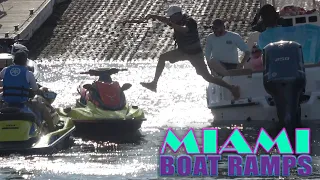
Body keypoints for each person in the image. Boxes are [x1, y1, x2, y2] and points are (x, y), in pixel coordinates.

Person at [140, 5, 240, 100]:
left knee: (207, 77)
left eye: (172, 17)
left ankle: (232, 88)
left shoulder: (190, 21)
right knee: (162, 57)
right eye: (170, 18)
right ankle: (154, 83)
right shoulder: (175, 20)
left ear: (178, 15)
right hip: (183, 51)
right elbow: (166, 20)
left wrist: (171, 24)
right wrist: (154, 16)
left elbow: (184, 30)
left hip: (195, 54)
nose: (171, 19)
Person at [0, 50, 55, 131]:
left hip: (7, 102)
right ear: (25, 61)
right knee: (43, 107)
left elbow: (4, 81)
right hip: (22, 103)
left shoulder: (4, 70)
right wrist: (42, 89)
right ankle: (53, 130)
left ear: (14, 60)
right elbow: (36, 90)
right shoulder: (28, 73)